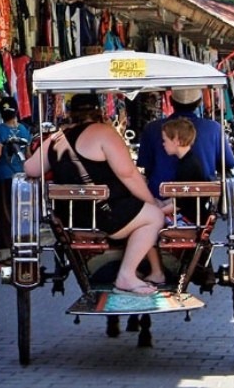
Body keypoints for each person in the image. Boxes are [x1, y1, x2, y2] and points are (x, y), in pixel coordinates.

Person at [24, 93, 166, 296]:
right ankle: (126, 275)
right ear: (99, 111)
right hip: (104, 215)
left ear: (70, 114)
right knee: (154, 217)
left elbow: (30, 169)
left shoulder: (56, 138)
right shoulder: (104, 132)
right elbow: (128, 174)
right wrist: (151, 202)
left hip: (71, 217)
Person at [136, 87, 234, 200]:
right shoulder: (213, 128)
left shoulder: (152, 128)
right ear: (199, 103)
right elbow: (228, 162)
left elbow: (145, 166)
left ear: (171, 101)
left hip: (159, 198)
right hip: (200, 199)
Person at [0, 96, 31, 255]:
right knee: (20, 211)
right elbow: (28, 154)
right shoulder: (23, 130)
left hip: (4, 177)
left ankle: (7, 249)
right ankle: (21, 244)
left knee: (4, 213)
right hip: (21, 176)